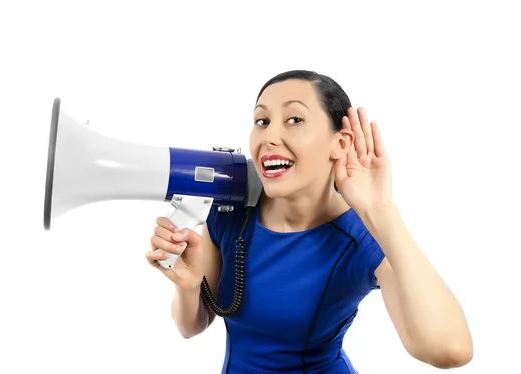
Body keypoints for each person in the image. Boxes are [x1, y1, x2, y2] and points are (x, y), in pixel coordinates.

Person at [145, 70, 473, 373]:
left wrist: (381, 209)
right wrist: (187, 286)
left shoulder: (360, 238)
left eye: (295, 119)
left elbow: (449, 350)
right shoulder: (231, 212)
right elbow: (192, 326)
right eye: (262, 120)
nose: (270, 136)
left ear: (340, 143)